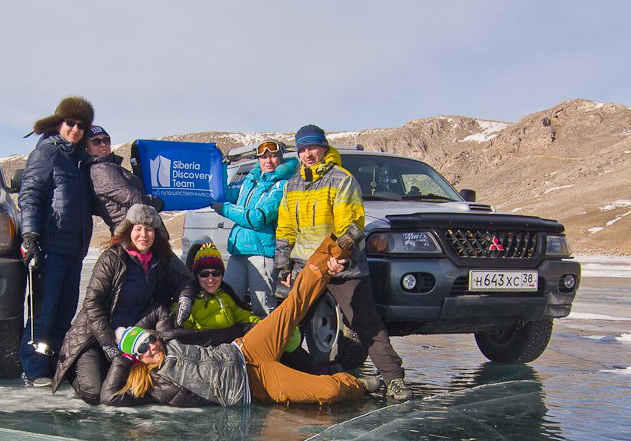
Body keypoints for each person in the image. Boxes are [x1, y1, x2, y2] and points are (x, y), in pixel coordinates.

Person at [103, 233, 382, 408]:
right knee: (328, 391)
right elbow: (110, 396)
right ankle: (360, 385)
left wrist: (256, 325)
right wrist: (122, 355)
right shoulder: (156, 385)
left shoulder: (168, 338)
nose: (151, 347)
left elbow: (164, 318)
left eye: (149, 340)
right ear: (135, 358)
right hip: (254, 384)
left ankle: (331, 255)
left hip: (245, 348)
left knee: (291, 308)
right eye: (142, 349)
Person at [274, 124, 413, 402]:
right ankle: (291, 372)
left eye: (312, 147)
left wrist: (339, 257)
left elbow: (351, 225)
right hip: (306, 265)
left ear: (324, 147)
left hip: (343, 267)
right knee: (288, 322)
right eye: (302, 149)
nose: (307, 154)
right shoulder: (291, 185)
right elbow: (285, 228)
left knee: (365, 322)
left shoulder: (341, 179)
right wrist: (283, 266)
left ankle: (394, 380)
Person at [51, 204, 195, 404]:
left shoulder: (158, 261)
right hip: (94, 336)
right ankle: (72, 367)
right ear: (129, 231)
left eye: (149, 229)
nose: (143, 234)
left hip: (133, 335)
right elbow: (92, 303)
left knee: (127, 382)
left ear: (156, 233)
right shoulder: (112, 258)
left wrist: (185, 299)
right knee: (93, 393)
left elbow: (185, 281)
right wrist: (109, 344)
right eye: (138, 229)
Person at [18, 96, 96, 386]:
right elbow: (31, 196)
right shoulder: (46, 154)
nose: (75, 129)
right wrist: (31, 236)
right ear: (59, 123)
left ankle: (54, 363)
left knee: (65, 313)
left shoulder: (80, 159)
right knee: (43, 312)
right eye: (71, 123)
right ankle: (35, 366)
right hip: (50, 247)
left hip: (74, 249)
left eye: (81, 125)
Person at [210, 139, 297, 315]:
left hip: (262, 253)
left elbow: (258, 218)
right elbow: (225, 194)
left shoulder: (282, 185)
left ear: (281, 158)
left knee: (262, 308)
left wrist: (226, 209)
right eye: (264, 157)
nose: (268, 161)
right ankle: (232, 341)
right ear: (258, 160)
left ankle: (266, 342)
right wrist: (222, 166)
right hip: (238, 250)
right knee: (227, 301)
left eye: (273, 156)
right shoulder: (250, 182)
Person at [85, 125, 164, 234]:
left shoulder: (110, 166)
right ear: (87, 147)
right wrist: (162, 202)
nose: (103, 144)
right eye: (96, 141)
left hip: (136, 228)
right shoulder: (100, 169)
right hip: (130, 232)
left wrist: (138, 167)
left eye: (106, 140)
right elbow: (133, 199)